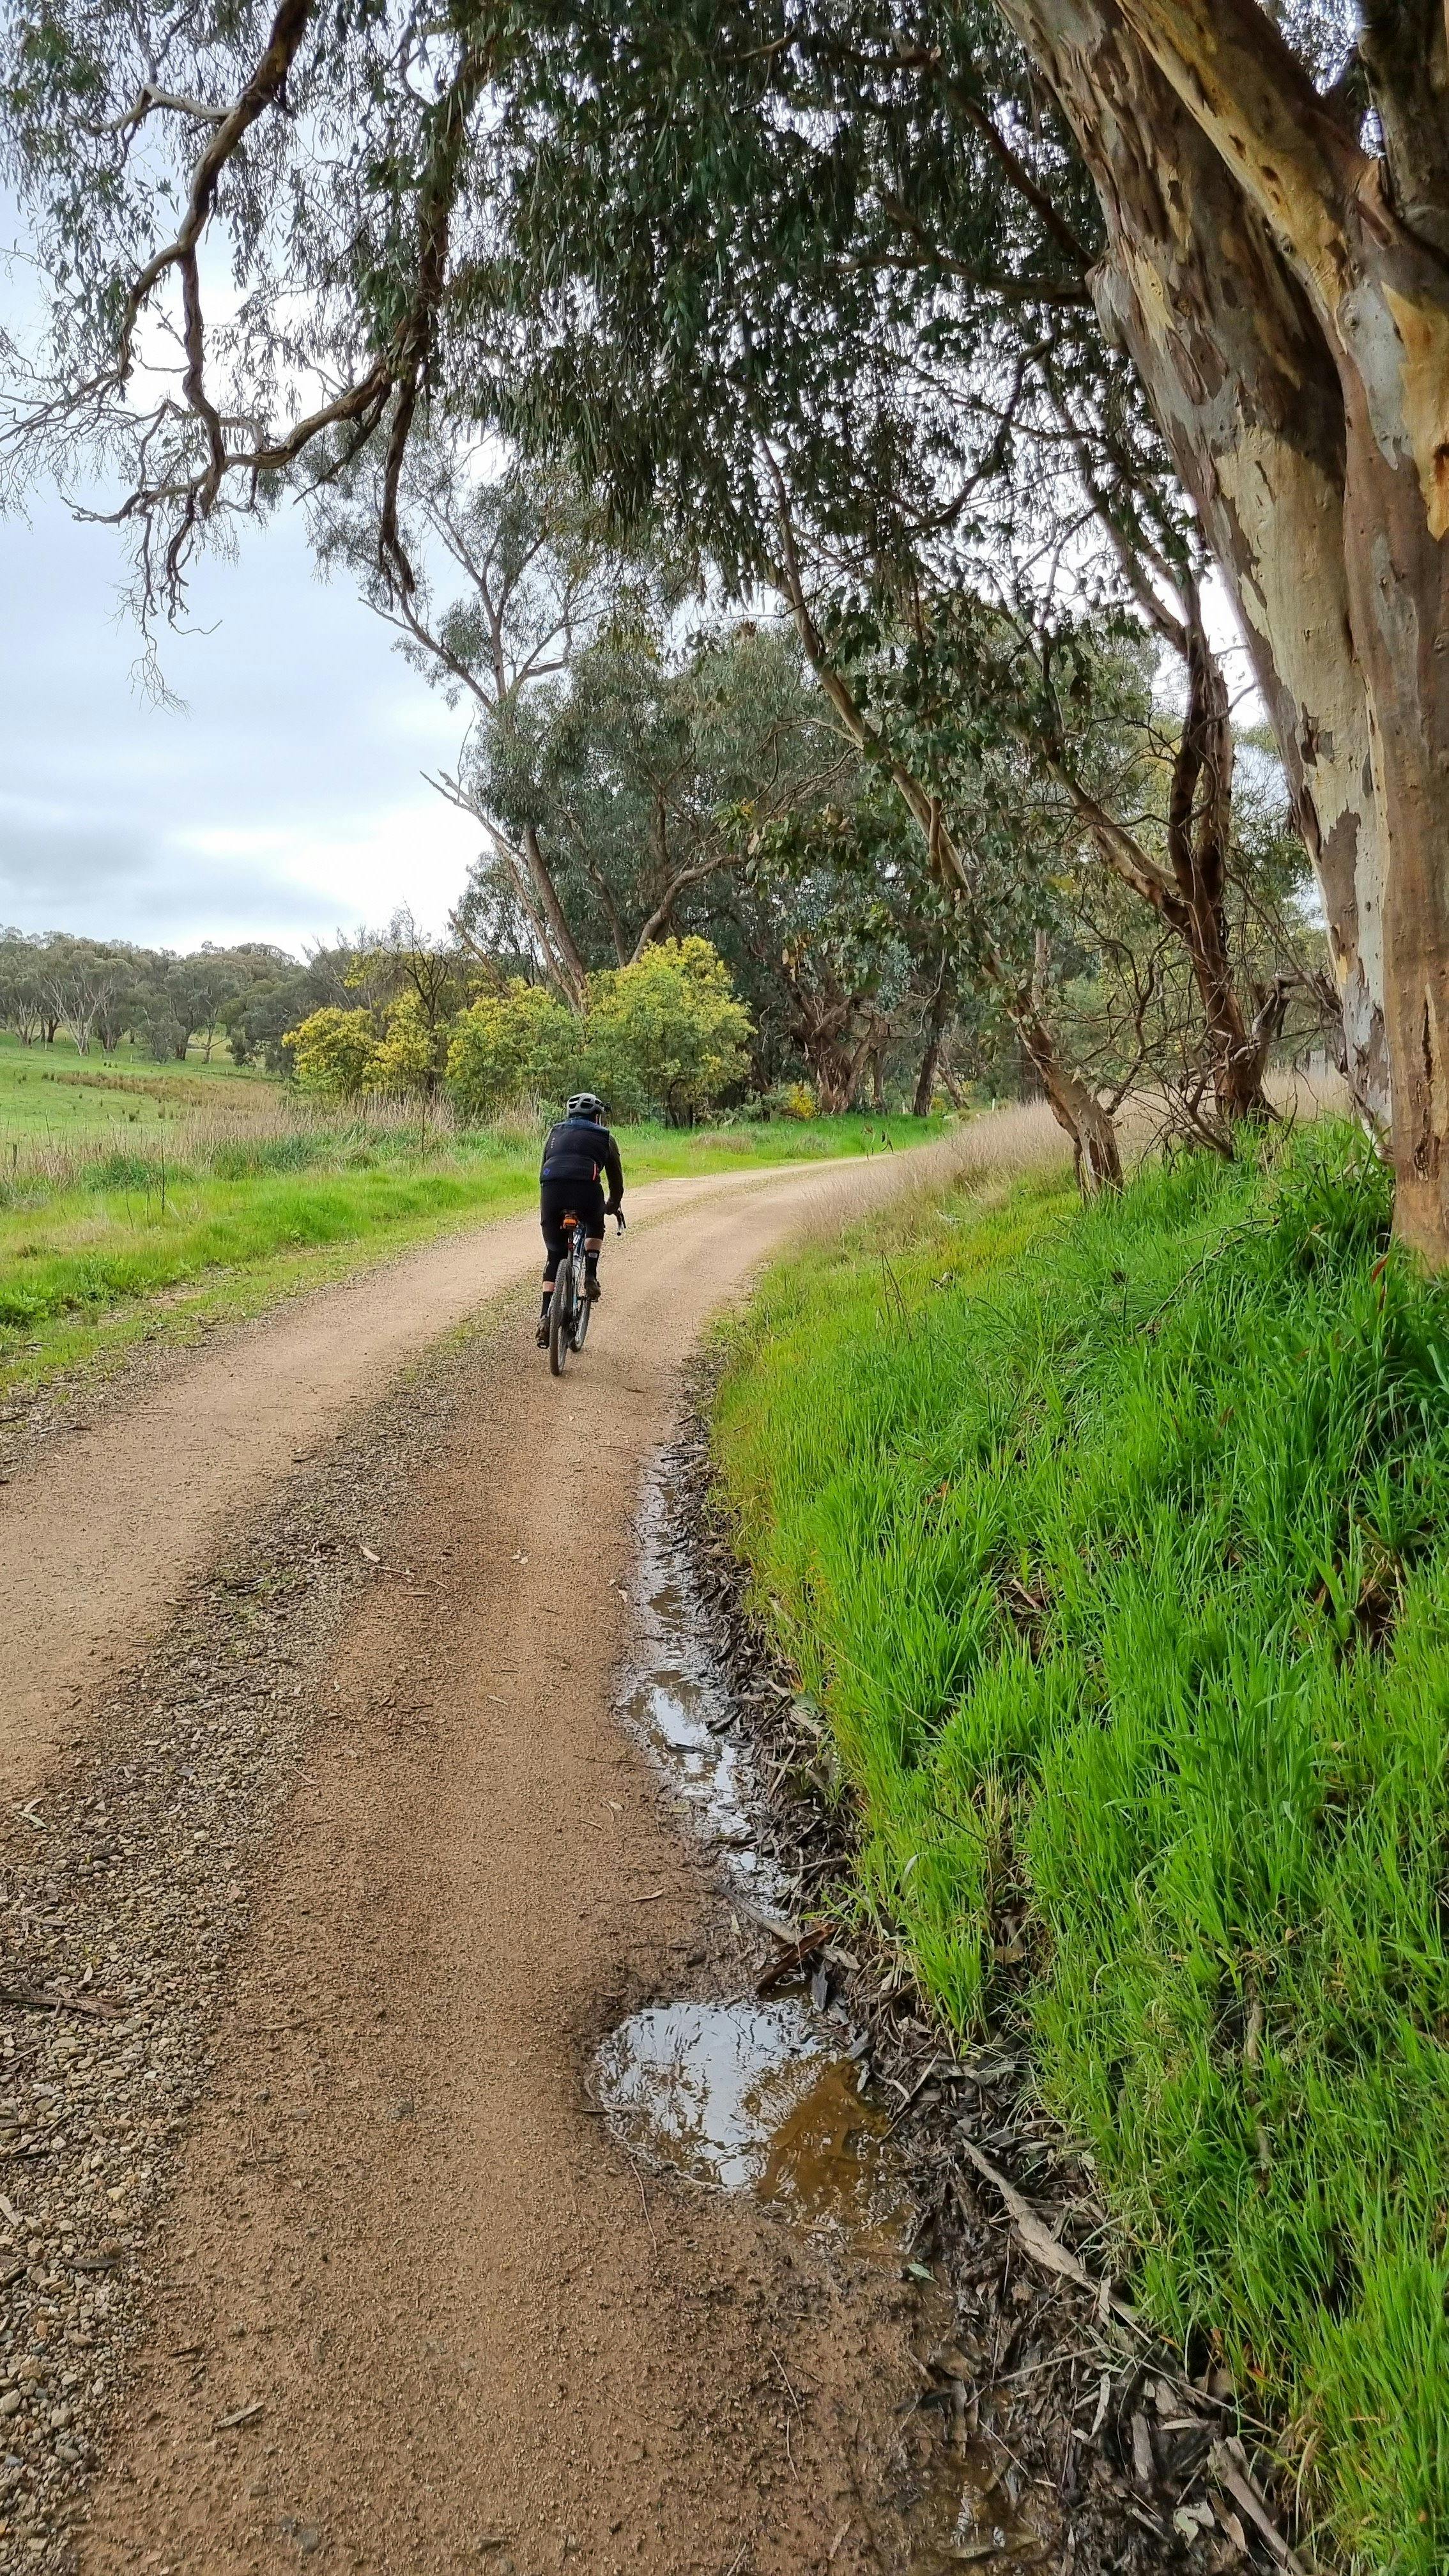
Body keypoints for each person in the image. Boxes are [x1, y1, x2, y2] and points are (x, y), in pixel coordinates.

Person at [537, 1093, 625, 1346]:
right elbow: (616, 1183)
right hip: (587, 1193)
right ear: (597, 1116)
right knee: (595, 1225)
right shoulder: (605, 1136)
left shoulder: (554, 1133)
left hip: (551, 1191)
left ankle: (545, 1316)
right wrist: (611, 1206)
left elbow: (545, 1167)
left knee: (555, 1253)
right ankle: (590, 1276)